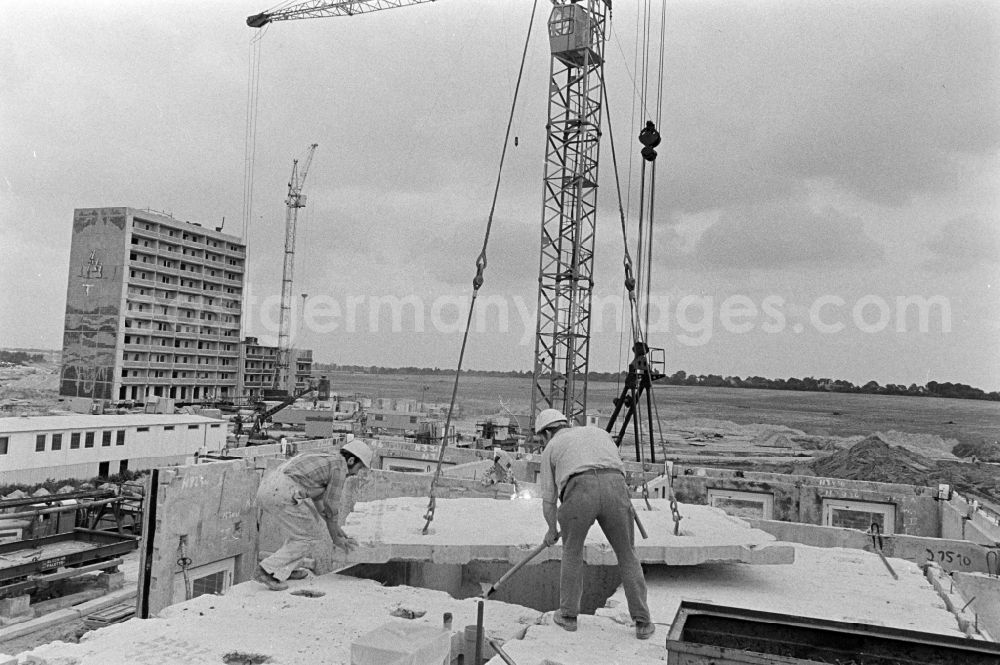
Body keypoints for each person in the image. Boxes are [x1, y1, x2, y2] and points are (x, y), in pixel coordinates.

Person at [535, 408, 654, 640]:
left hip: (579, 490)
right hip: (615, 487)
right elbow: (615, 466)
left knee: (572, 553)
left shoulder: (551, 448)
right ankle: (643, 622)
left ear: (548, 432)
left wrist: (551, 529)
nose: (541, 443)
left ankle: (568, 616)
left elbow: (549, 500)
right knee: (628, 555)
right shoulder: (599, 433)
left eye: (541, 438)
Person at [254, 439, 374, 591]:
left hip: (270, 487)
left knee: (300, 534)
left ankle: (283, 570)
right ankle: (267, 571)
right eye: (359, 467)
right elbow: (331, 507)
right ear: (351, 460)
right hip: (283, 491)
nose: (357, 473)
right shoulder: (340, 469)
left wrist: (335, 528)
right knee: (307, 537)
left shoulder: (328, 458)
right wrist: (336, 539)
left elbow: (319, 500)